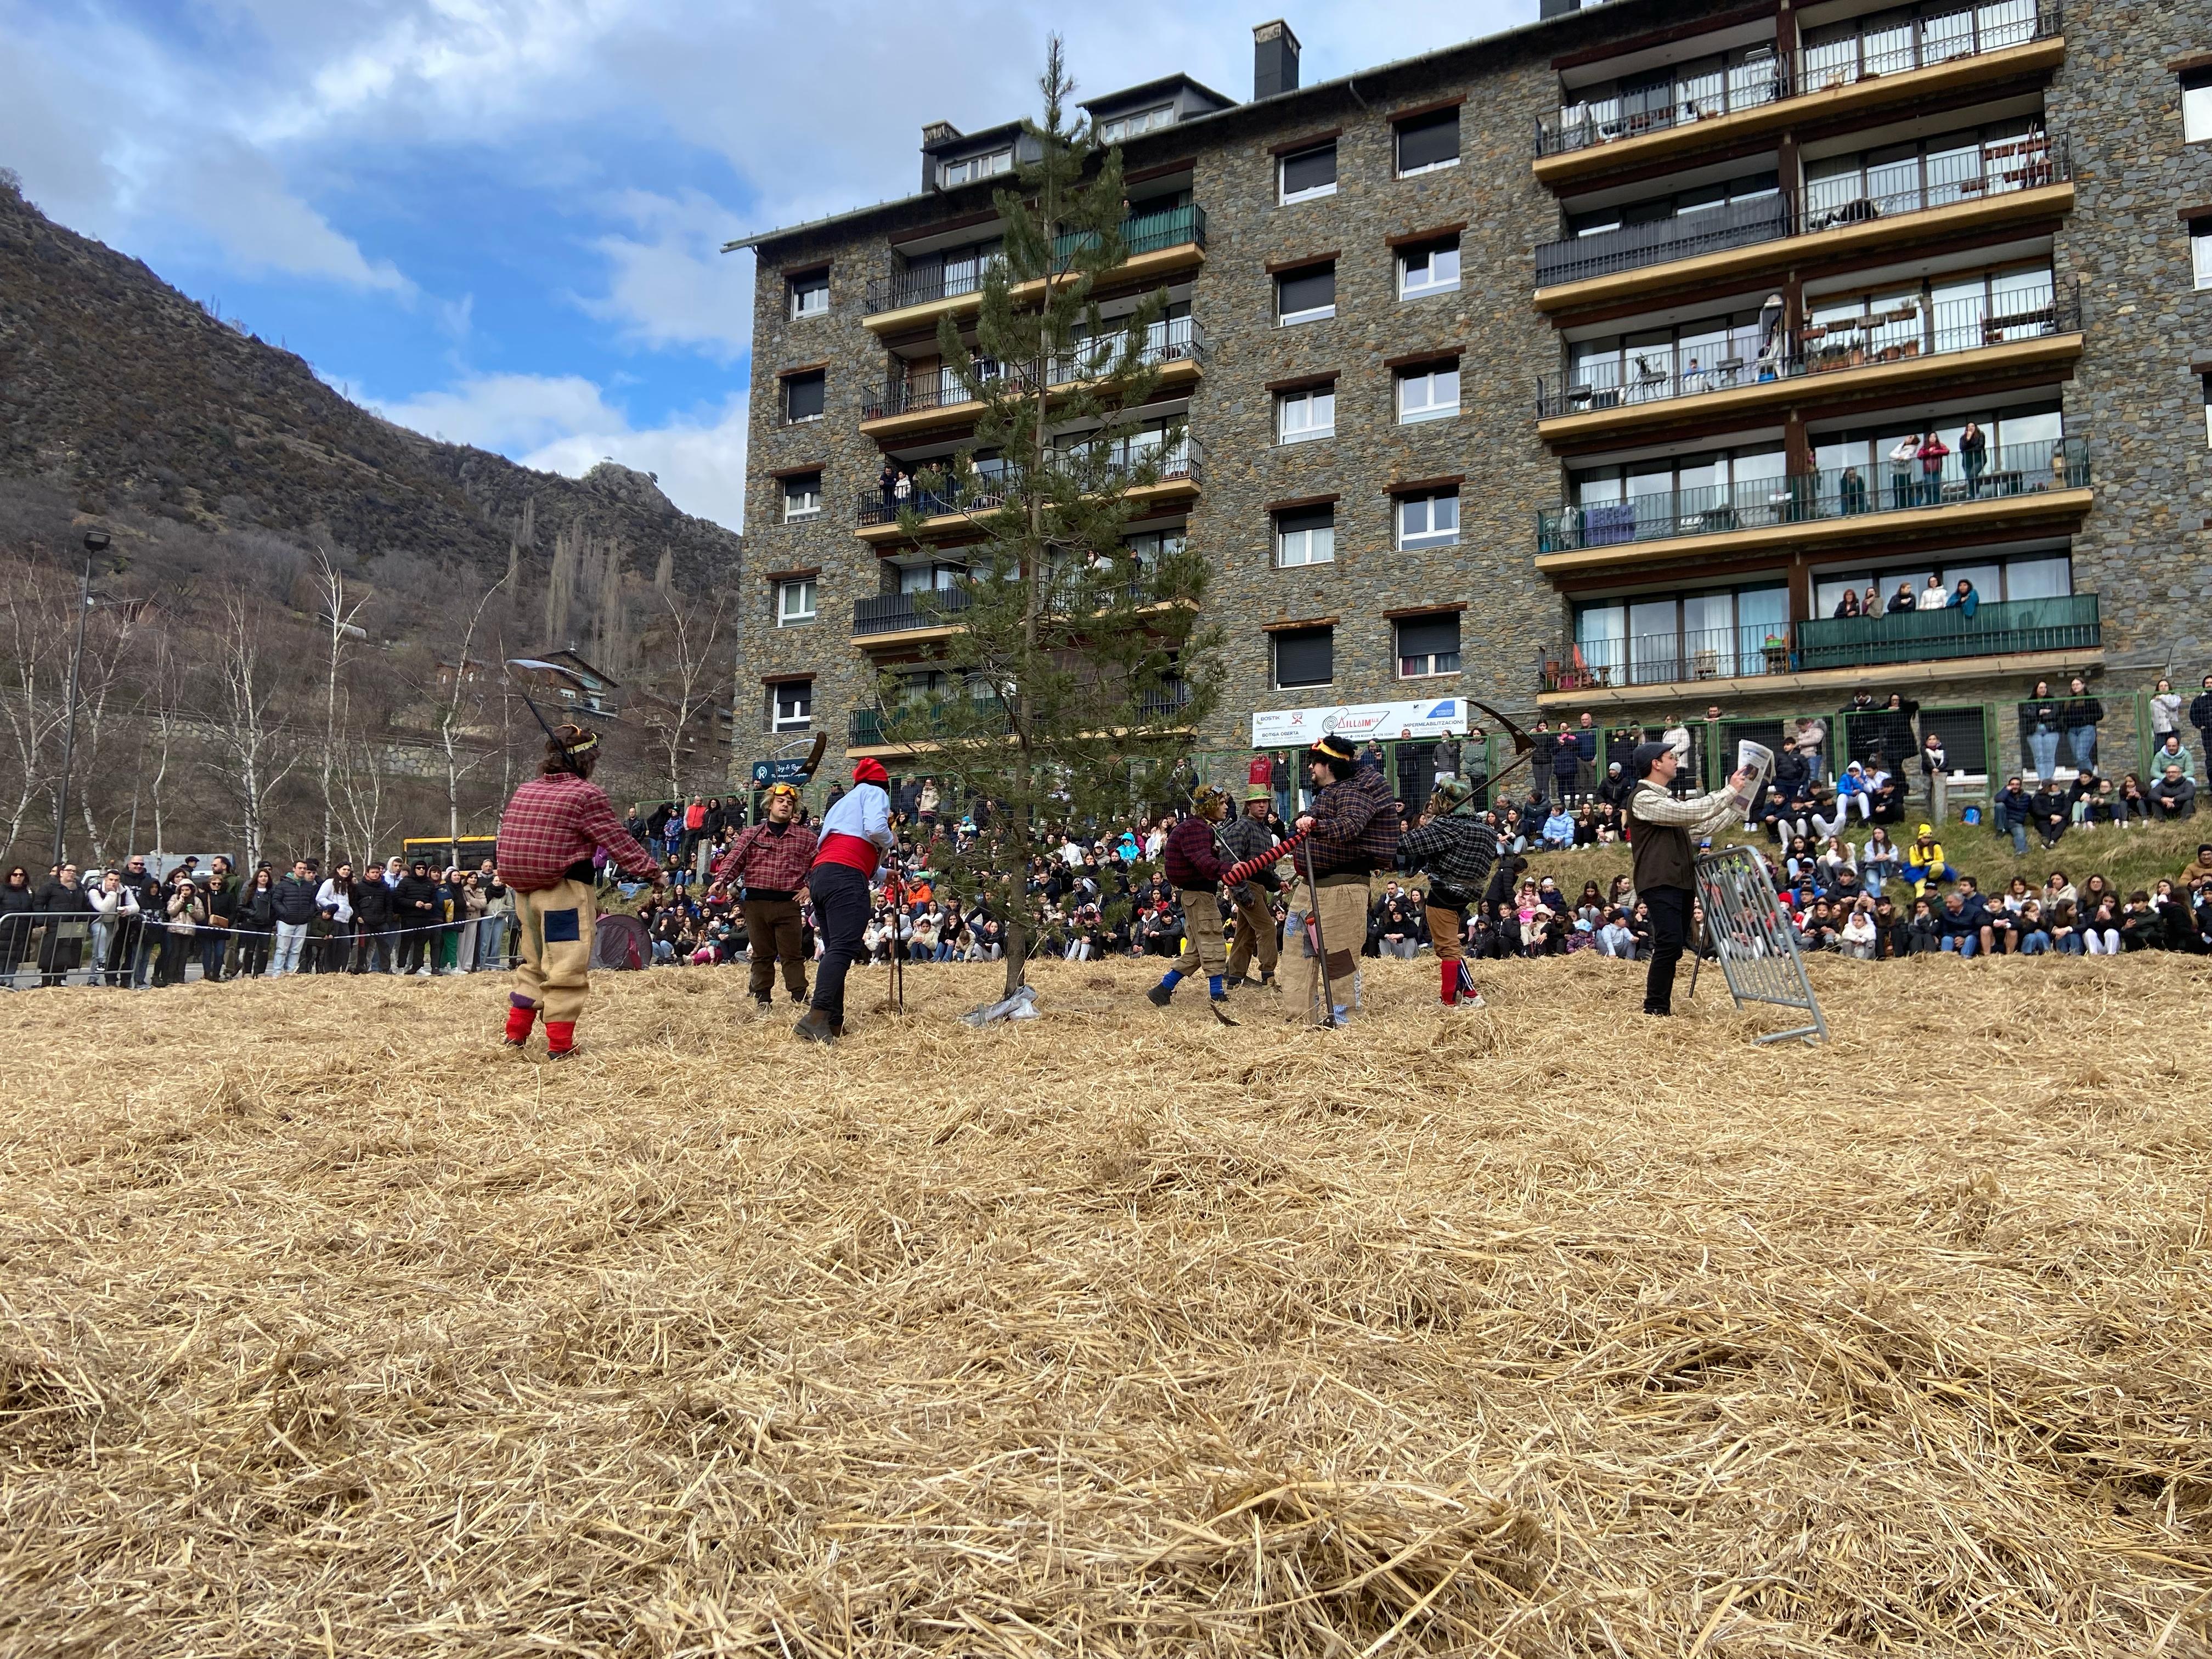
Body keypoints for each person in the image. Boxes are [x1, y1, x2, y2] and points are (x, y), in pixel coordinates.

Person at [494, 721, 663, 1058]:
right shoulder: (586, 795)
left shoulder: (525, 791)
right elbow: (616, 839)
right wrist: (652, 871)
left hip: (524, 896)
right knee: (566, 966)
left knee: (533, 963)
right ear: (585, 761)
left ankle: (516, 1036)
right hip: (563, 892)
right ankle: (559, 1046)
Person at [1622, 741, 1755, 1018]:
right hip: (1661, 880)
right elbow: (1690, 813)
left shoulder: (1666, 800)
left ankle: (1660, 1005)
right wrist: (1730, 790)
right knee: (1669, 943)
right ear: (1655, 764)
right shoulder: (1643, 798)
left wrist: (1741, 801)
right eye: (1671, 757)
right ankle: (1655, 1007)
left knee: (1674, 946)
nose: (1676, 761)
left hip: (1680, 880)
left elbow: (1705, 824)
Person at [1284, 733, 1400, 1025]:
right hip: (1308, 887)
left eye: (1315, 763)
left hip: (1342, 889)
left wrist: (1316, 825)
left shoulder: (1352, 792)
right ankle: (1300, 1019)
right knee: (1296, 951)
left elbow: (1351, 825)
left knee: (1339, 958)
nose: (1311, 768)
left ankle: (1343, 1020)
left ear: (1330, 765)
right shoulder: (1326, 795)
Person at [794, 760, 895, 1044]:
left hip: (823, 874)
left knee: (835, 948)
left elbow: (844, 843)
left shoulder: (842, 803)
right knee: (843, 948)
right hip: (846, 877)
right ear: (882, 783)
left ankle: (832, 1021)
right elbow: (875, 830)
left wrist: (882, 873)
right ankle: (816, 1016)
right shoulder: (875, 793)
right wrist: (891, 840)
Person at [712, 781, 819, 1009]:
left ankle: (799, 995)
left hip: (788, 903)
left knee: (792, 954)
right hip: (756, 903)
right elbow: (735, 860)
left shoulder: (806, 837)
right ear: (770, 804)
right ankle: (762, 997)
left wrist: (810, 886)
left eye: (790, 803)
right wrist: (721, 881)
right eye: (781, 801)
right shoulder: (751, 834)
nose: (785, 806)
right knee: (762, 953)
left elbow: (819, 865)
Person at [1397, 775, 1498, 1009]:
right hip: (1468, 894)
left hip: (1444, 891)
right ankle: (1470, 993)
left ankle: (1449, 1000)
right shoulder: (1485, 829)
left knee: (1447, 948)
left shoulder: (1450, 826)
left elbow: (1409, 844)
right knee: (1450, 945)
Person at [1148, 786, 1234, 1014]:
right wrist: (1230, 869)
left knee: (1197, 950)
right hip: (1199, 895)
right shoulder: (1197, 829)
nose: (1226, 807)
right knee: (1213, 939)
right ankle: (1217, 994)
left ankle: (1163, 989)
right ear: (1210, 806)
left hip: (1196, 895)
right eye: (1222, 803)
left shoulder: (1199, 828)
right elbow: (1204, 862)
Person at [1219, 786, 1283, 988]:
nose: (1263, 805)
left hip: (1258, 885)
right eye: (1257, 802)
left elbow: (1264, 868)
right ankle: (1268, 975)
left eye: (1265, 801)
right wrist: (1242, 892)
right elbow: (1231, 864)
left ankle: (1234, 977)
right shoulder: (1240, 828)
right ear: (1249, 805)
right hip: (1246, 885)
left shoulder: (1264, 829)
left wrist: (1277, 882)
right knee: (1267, 929)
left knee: (1245, 934)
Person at [88, 870, 140, 987]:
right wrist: (112, 894)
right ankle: (100, 964)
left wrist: (128, 910)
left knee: (102, 947)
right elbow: (103, 908)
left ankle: (93, 976)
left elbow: (136, 906)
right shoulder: (95, 890)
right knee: (101, 936)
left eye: (116, 880)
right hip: (97, 920)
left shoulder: (124, 890)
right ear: (105, 880)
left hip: (113, 922)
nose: (113, 883)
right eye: (111, 880)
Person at [391, 860, 443, 975]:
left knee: (421, 944)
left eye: (423, 868)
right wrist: (413, 903)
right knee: (406, 944)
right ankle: (401, 967)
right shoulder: (406, 882)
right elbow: (398, 898)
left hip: (425, 917)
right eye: (419, 868)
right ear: (414, 869)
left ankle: (417, 966)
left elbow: (434, 899)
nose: (421, 870)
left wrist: (431, 904)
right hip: (409, 917)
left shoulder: (429, 882)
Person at [269, 859, 320, 975]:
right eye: (300, 868)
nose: (302, 870)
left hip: (302, 922)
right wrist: (284, 912)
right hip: (286, 922)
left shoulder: (308, 886)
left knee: (296, 951)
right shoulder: (283, 884)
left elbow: (312, 902)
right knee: (282, 950)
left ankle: (290, 972)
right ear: (294, 869)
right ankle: (277, 973)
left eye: (304, 869)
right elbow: (276, 901)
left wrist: (309, 913)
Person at [236, 868, 277, 978]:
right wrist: (254, 914)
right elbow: (241, 907)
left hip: (266, 925)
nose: (263, 878)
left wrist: (271, 919)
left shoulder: (272, 892)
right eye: (261, 876)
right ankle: (248, 972)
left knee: (264, 950)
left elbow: (275, 907)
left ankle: (260, 972)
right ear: (256, 878)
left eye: (266, 876)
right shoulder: (249, 891)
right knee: (250, 949)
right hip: (251, 923)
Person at [2061, 676, 2102, 774]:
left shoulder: (2090, 699)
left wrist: (2086, 719)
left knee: (2081, 755)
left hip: (2086, 728)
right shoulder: (2068, 700)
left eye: (2077, 684)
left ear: (2083, 685)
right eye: (2073, 685)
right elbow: (2064, 715)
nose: (2075, 687)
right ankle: (2083, 777)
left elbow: (2099, 714)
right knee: (2076, 757)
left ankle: (2088, 777)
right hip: (2072, 730)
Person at [1958, 420, 1987, 496]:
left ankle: (1976, 493)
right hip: (1967, 461)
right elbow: (1962, 448)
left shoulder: (1981, 435)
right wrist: (1968, 439)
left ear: (1976, 427)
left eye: (1973, 426)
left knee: (1972, 475)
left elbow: (1980, 446)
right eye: (1969, 426)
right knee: (1970, 478)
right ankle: (1972, 494)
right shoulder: (1963, 438)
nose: (1971, 428)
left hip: (1979, 459)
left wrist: (1969, 447)